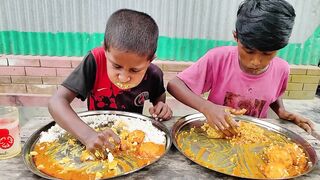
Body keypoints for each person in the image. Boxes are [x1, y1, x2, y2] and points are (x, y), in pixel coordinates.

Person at [167, 0, 314, 137]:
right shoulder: (219, 58)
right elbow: (175, 85)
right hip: (217, 134)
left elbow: (273, 94)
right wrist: (206, 107)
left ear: (280, 47)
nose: (256, 61)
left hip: (254, 137)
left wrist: (280, 110)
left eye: (267, 53)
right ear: (236, 37)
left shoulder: (282, 69)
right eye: (248, 51)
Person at [49, 9, 172, 153]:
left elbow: (159, 97)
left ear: (150, 60)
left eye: (134, 70)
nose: (123, 77)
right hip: (94, 132)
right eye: (116, 66)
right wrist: (87, 135)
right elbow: (56, 102)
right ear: (105, 49)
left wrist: (160, 106)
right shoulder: (95, 61)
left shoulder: (154, 74)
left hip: (131, 135)